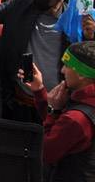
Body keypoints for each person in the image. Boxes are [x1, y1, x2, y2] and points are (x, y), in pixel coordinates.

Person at [25, 41, 95, 180]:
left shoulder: (76, 119)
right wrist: (39, 91)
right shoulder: (82, 101)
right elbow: (62, 129)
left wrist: (53, 111)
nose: (62, 70)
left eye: (67, 66)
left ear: (82, 74)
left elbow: (46, 152)